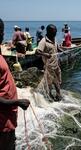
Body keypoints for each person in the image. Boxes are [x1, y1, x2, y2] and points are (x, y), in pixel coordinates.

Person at [0, 18, 30, 150]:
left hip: (7, 117)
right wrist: (16, 102)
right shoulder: (22, 33)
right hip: (2, 121)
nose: (2, 35)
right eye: (1, 32)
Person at [36, 24, 62, 101]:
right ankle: (50, 97)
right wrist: (45, 54)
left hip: (56, 66)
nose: (55, 33)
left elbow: (57, 47)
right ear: (49, 32)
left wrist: (63, 51)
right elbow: (37, 51)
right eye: (54, 32)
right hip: (49, 67)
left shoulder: (54, 38)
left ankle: (58, 95)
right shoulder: (43, 41)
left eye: (56, 32)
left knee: (58, 82)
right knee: (50, 83)